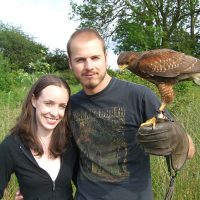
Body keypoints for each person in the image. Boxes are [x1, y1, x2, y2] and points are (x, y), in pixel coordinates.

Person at [15, 28, 195, 200]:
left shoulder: (139, 96)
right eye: (80, 60)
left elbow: (190, 151)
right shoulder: (69, 106)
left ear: (106, 58)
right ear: (70, 63)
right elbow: (55, 154)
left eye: (95, 57)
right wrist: (33, 185)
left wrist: (177, 139)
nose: (89, 66)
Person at [0, 75, 78, 199]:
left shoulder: (70, 144)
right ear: (34, 100)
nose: (54, 113)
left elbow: (86, 187)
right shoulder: (12, 146)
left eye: (62, 106)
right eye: (49, 103)